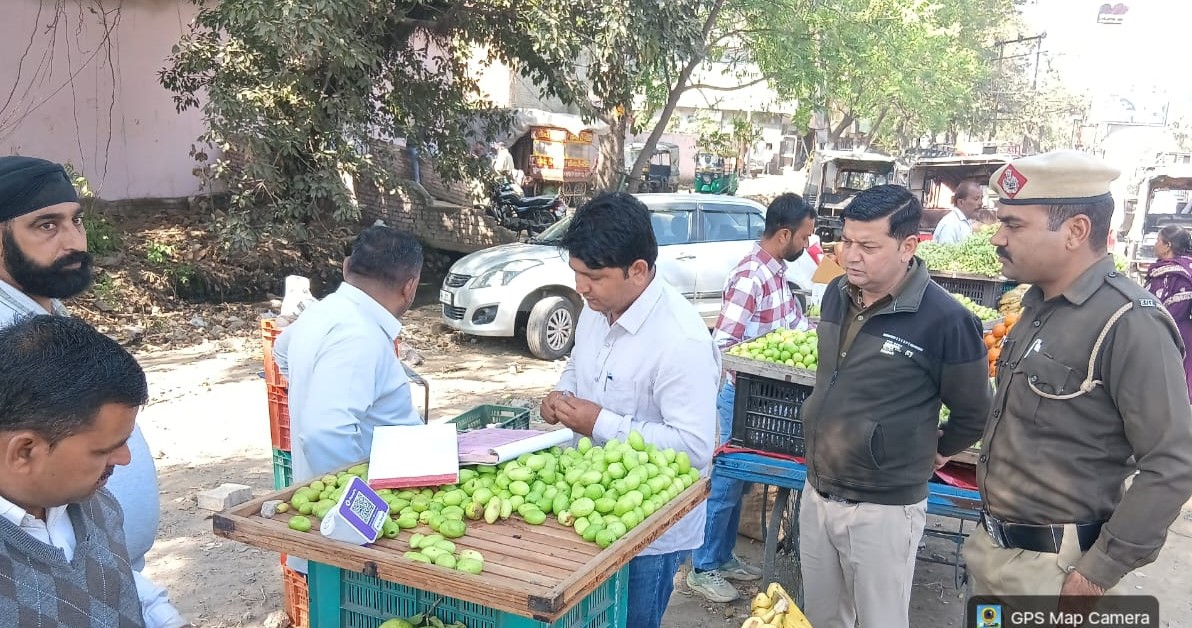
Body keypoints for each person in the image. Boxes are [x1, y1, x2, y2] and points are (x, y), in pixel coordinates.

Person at [967, 151, 1192, 603]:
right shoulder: (1035, 307)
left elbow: (1173, 462)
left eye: (1013, 225)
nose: (997, 237)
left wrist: (1098, 572)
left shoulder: (1130, 323)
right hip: (995, 557)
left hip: (1057, 577)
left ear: (1075, 231)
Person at [0, 156, 187, 628]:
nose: (73, 241)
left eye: (76, 221)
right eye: (47, 225)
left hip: (104, 575)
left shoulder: (48, 317)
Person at [797, 184, 992, 628]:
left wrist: (938, 447)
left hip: (883, 510)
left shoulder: (946, 320)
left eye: (868, 246)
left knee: (879, 620)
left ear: (908, 246)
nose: (850, 256)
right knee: (822, 617)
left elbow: (975, 411)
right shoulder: (836, 294)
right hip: (818, 489)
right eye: (846, 241)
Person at [539, 192, 719, 628]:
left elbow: (694, 449)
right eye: (577, 274)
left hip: (650, 534)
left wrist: (598, 422)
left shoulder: (681, 341)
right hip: (592, 506)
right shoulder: (595, 309)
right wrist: (562, 398)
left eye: (594, 277)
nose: (581, 288)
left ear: (638, 271)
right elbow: (578, 366)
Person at [0, 315, 186, 627]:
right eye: (103, 450)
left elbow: (121, 584)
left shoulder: (97, 504)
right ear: (25, 451)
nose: (125, 459)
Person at [687, 193, 816, 603]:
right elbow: (724, 344)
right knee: (724, 483)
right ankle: (703, 567)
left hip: (764, 398)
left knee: (738, 483)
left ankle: (722, 557)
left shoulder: (775, 272)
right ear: (784, 234)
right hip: (739, 397)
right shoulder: (751, 276)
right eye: (805, 237)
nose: (808, 246)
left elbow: (793, 325)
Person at [274, 225, 424, 483]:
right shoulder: (359, 336)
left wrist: (311, 385)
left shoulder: (322, 312)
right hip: (362, 506)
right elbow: (324, 432)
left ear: (346, 267)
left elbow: (281, 351)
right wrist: (362, 504)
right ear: (410, 287)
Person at [1143, 224, 1192, 401]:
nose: (1155, 245)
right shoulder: (1185, 267)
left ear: (1168, 246)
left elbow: (1170, 311)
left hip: (1171, 336)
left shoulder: (1172, 275)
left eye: (1158, 241)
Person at [931, 179, 983, 244]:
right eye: (976, 199)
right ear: (961, 202)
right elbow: (947, 252)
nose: (981, 203)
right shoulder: (951, 225)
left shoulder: (965, 221)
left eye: (981, 198)